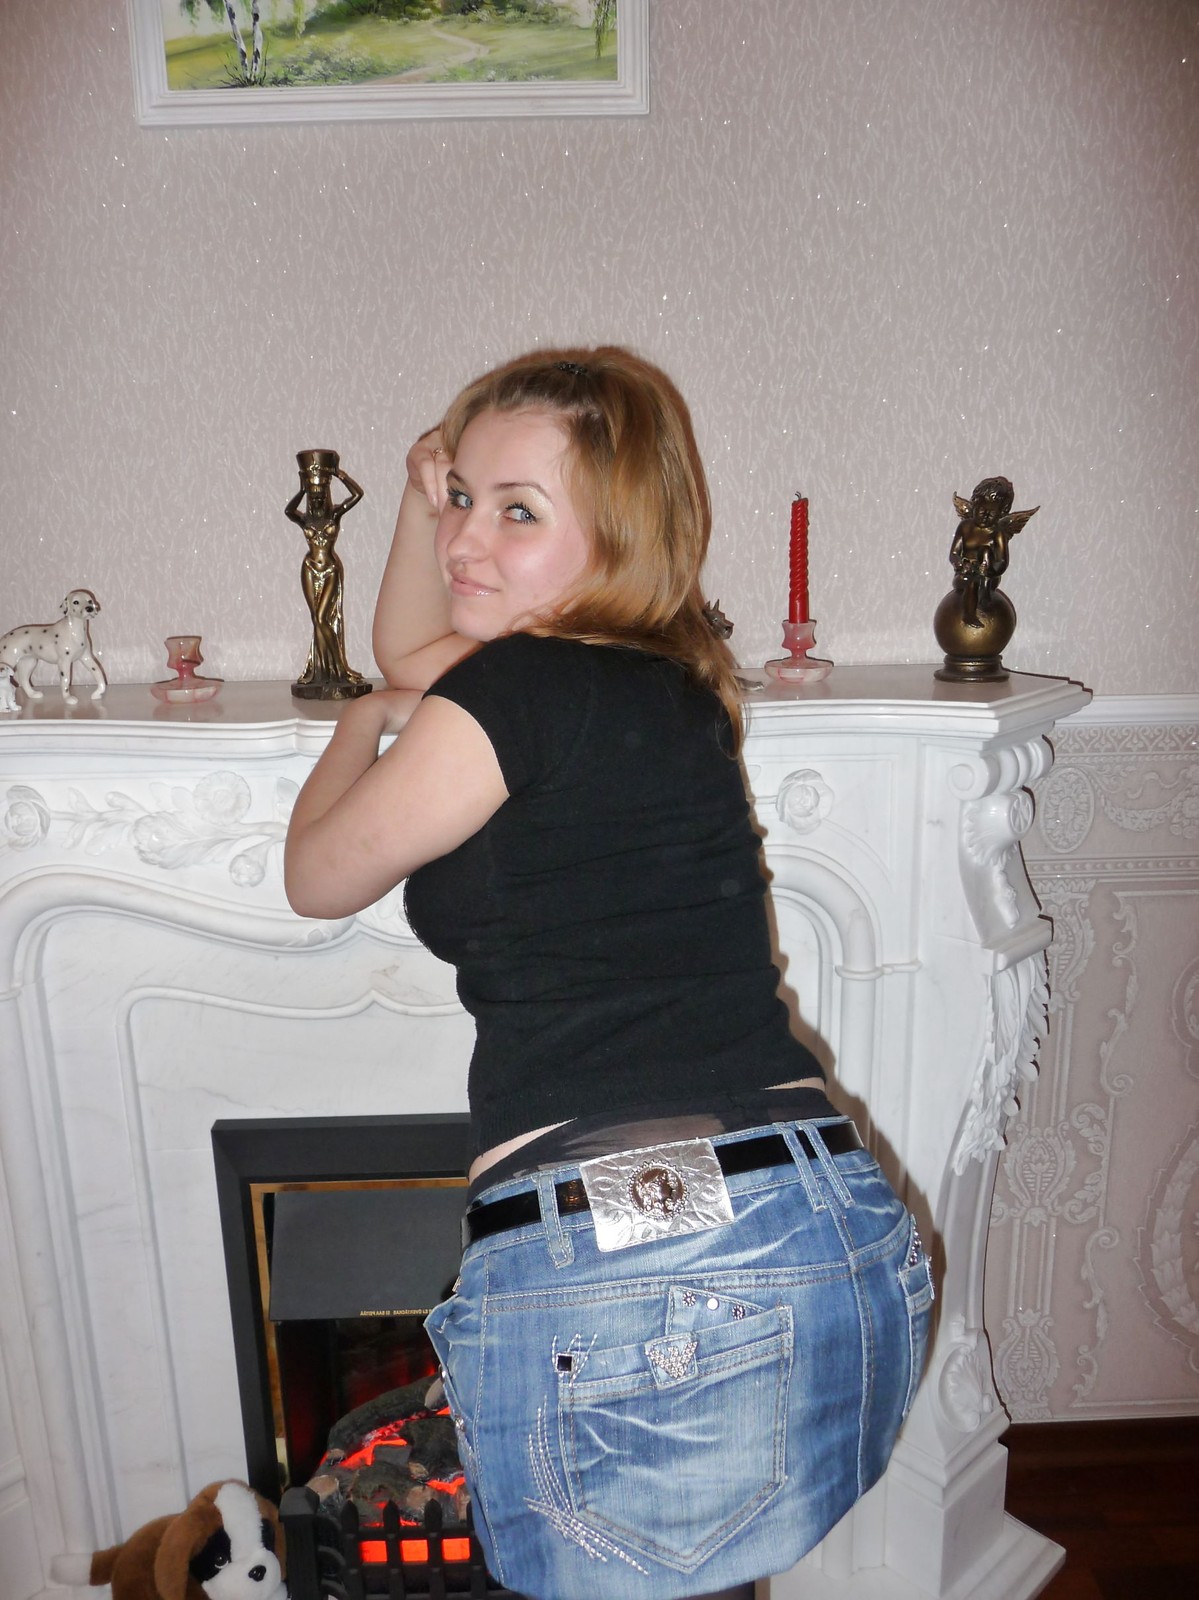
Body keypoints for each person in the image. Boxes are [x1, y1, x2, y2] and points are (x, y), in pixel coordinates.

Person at [284, 347, 933, 1600]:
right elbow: (416, 641)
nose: (465, 536)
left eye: (516, 511)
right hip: (824, 1232)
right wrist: (421, 506)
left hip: (637, 1284)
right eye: (460, 498)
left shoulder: (512, 692)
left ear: (618, 537)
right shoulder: (669, 684)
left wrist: (358, 724)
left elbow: (317, 873)